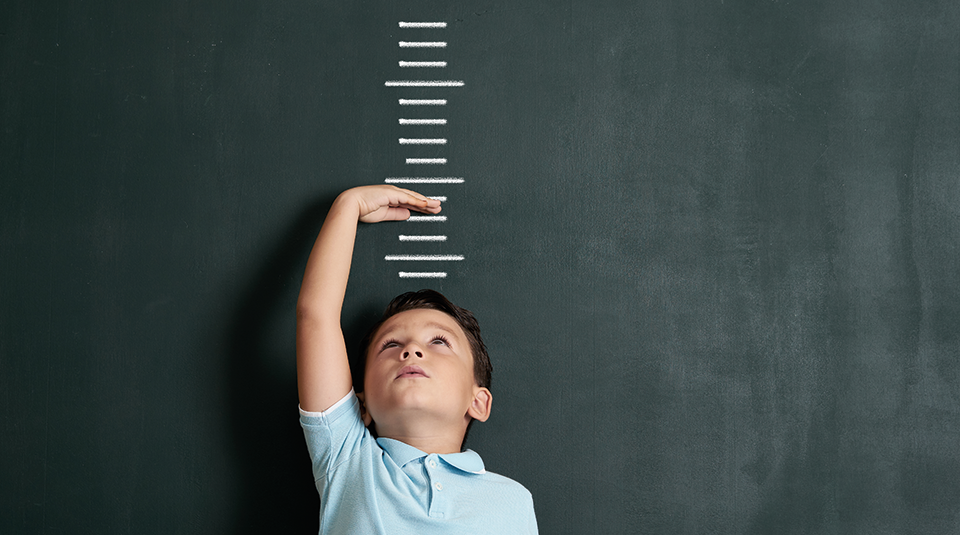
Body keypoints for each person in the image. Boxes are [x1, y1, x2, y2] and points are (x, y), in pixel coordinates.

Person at [296, 185, 538, 534]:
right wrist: (348, 205)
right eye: (390, 345)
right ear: (360, 406)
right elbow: (315, 316)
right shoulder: (348, 460)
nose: (411, 350)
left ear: (478, 401)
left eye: (439, 341)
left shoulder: (512, 500)